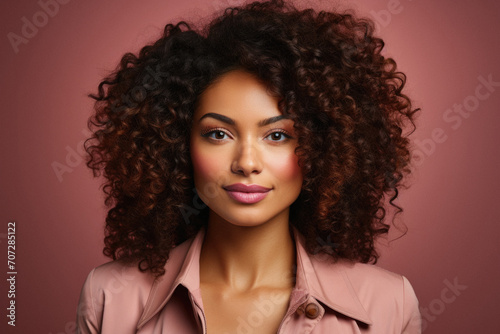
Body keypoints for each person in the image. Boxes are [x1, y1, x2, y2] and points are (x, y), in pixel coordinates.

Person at [76, 0, 421, 333]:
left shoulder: (389, 304)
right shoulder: (109, 296)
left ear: (324, 147)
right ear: (178, 145)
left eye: (276, 135)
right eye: (218, 134)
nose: (246, 163)